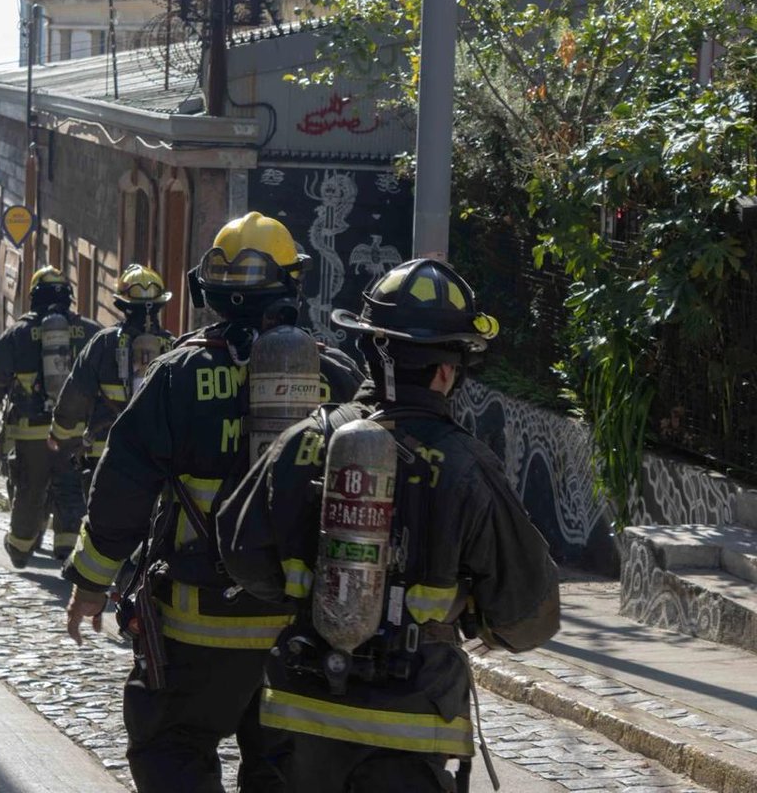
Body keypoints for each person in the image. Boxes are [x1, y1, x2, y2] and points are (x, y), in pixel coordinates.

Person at [216, 259, 561, 793]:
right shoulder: (467, 465)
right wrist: (470, 611)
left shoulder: (310, 437)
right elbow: (526, 609)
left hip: (302, 709)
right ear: (447, 372)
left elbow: (239, 547)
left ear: (370, 352)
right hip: (412, 721)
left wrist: (308, 588)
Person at [63, 212, 364, 792]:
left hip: (200, 627)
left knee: (172, 747)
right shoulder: (337, 376)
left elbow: (122, 487)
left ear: (209, 293)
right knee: (283, 767)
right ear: (293, 286)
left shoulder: (177, 374)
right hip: (305, 626)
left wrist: (90, 583)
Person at [0, 266, 102, 567]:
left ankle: (20, 549)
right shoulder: (89, 330)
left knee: (30, 488)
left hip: (31, 431)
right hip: (73, 430)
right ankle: (67, 550)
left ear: (33, 297)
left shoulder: (20, 331)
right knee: (70, 486)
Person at [50, 264, 175, 499]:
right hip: (155, 460)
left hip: (106, 455)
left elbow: (75, 395)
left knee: (102, 528)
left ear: (122, 305)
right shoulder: (174, 348)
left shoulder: (103, 344)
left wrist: (59, 434)